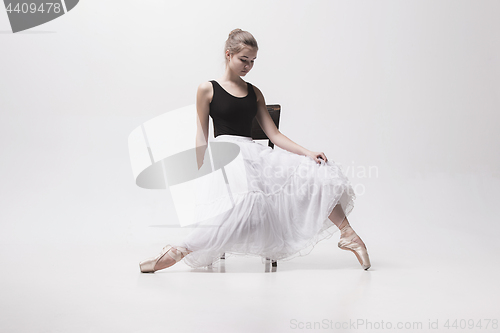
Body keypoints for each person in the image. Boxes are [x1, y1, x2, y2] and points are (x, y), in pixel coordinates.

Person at [139, 29, 371, 273]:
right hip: (225, 154)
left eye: (252, 62)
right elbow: (201, 135)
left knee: (316, 172)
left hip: (254, 154)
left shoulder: (255, 92)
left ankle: (348, 234)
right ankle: (181, 249)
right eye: (243, 60)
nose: (248, 66)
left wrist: (308, 153)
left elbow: (274, 135)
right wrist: (200, 168)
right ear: (229, 55)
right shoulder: (207, 89)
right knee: (245, 199)